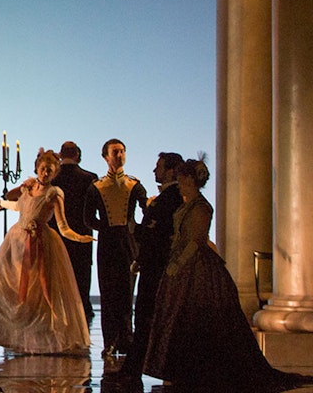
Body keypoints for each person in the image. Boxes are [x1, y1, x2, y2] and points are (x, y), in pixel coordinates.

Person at [144, 158, 313, 392]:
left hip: (197, 269)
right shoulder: (187, 204)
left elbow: (196, 241)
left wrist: (177, 265)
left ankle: (200, 371)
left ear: (192, 180)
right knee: (183, 320)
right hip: (182, 266)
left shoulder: (202, 207)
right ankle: (185, 371)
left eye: (183, 179)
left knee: (197, 318)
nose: (180, 184)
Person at [0, 149, 93, 354]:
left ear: (55, 172)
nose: (45, 173)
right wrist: (19, 188)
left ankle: (43, 338)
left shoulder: (54, 194)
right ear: (37, 169)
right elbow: (14, 201)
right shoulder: (28, 188)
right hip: (16, 243)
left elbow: (64, 226)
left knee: (40, 290)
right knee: (9, 287)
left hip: (41, 243)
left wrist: (80, 237)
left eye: (50, 170)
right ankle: (15, 335)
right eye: (42, 169)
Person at [115, 151, 183, 379]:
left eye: (159, 166)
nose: (155, 170)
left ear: (172, 170)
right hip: (152, 264)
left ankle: (133, 370)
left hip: (157, 266)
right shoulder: (169, 196)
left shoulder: (171, 197)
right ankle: (134, 368)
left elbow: (160, 233)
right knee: (145, 317)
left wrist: (137, 229)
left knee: (145, 317)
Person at [84, 138, 147, 357]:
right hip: (108, 244)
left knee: (127, 292)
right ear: (106, 157)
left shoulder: (134, 184)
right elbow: (88, 218)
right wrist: (106, 228)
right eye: (115, 152)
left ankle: (127, 339)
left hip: (128, 243)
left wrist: (136, 229)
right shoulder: (97, 187)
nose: (119, 156)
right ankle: (110, 341)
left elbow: (147, 210)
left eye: (122, 151)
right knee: (108, 292)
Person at [51, 141, 98, 324]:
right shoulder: (90, 177)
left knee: (57, 275)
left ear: (61, 155)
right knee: (82, 275)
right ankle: (83, 310)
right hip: (81, 233)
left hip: (56, 234)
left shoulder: (53, 178)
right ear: (78, 155)